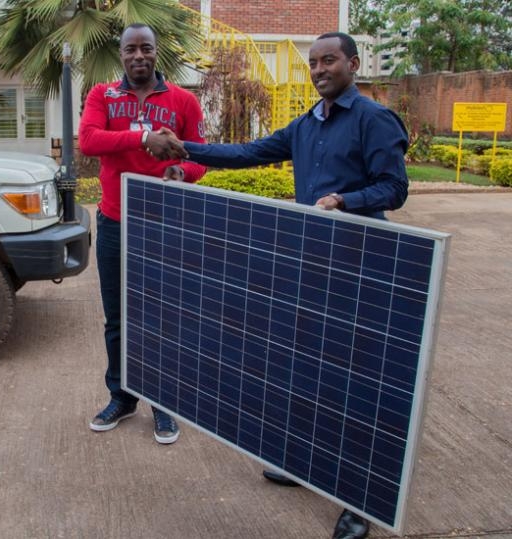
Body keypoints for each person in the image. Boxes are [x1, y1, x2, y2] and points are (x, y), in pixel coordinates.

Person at [149, 32, 408, 539]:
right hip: (309, 263)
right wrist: (188, 150)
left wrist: (344, 201)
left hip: (357, 266)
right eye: (312, 62)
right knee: (304, 369)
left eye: (328, 60)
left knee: (350, 384)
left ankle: (357, 497)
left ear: (353, 64)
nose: (318, 69)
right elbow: (250, 152)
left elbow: (394, 187)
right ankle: (304, 463)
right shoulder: (306, 123)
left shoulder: (373, 119)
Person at [78, 23, 207, 444]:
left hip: (164, 223)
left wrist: (181, 172)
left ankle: (163, 402)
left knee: (163, 317)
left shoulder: (183, 100)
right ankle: (123, 396)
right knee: (117, 318)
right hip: (115, 222)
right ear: (121, 54)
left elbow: (199, 156)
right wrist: (144, 137)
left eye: (146, 49)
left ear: (156, 54)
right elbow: (89, 141)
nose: (138, 56)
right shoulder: (102, 95)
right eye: (131, 49)